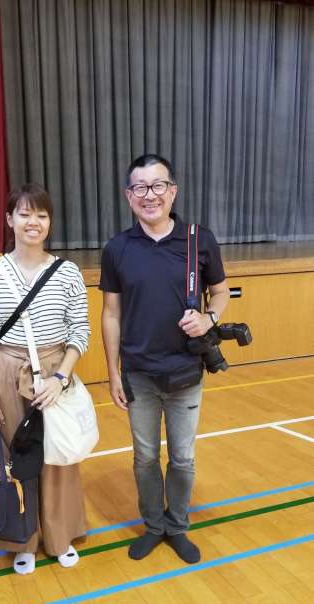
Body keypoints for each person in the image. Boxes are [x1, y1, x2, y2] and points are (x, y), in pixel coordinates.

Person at [100, 154, 229, 563]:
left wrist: (209, 318)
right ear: (129, 196)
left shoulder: (199, 240)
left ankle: (177, 526)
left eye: (158, 185)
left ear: (172, 191)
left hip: (186, 372)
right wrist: (112, 372)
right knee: (145, 458)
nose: (149, 195)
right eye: (140, 187)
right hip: (138, 375)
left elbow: (221, 292)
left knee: (183, 458)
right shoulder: (117, 248)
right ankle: (154, 526)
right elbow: (110, 314)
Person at [0, 183, 90, 574]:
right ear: (10, 220)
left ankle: (59, 535)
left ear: (50, 221)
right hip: (8, 370)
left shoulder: (67, 272)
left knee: (57, 455)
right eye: (24, 214)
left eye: (41, 214)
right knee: (14, 457)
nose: (33, 222)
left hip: (55, 370)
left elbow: (80, 331)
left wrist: (61, 378)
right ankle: (21, 538)